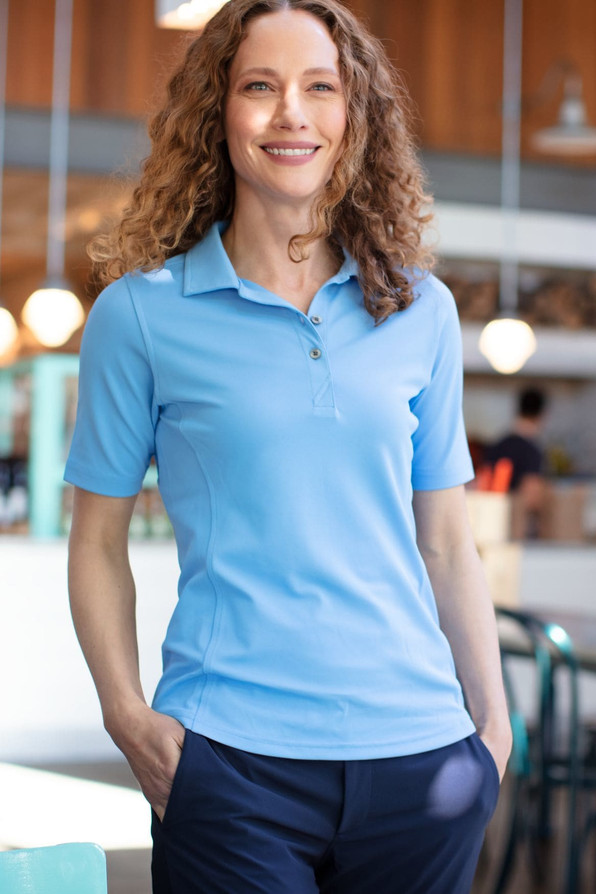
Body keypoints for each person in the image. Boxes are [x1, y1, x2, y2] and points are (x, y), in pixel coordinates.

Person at [65, 2, 512, 892]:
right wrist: (125, 714)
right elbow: (97, 542)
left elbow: (447, 542)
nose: (291, 115)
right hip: (230, 762)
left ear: (355, 118)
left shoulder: (420, 310)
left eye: (320, 88)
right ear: (216, 115)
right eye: (258, 87)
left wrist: (493, 736)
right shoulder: (142, 315)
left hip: (422, 758)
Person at [485, 387, 547, 537]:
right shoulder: (532, 449)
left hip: (489, 523)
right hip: (516, 528)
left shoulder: (499, 444)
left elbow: (483, 482)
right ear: (542, 414)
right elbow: (531, 496)